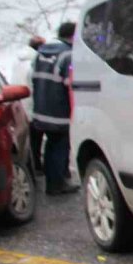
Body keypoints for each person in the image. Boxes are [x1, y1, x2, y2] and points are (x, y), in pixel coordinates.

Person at [32, 22, 78, 195]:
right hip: (60, 112)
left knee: (51, 147)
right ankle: (57, 184)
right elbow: (70, 84)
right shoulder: (68, 55)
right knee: (60, 148)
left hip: (42, 110)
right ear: (73, 36)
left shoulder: (41, 53)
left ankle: (53, 182)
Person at [11, 36, 47, 175]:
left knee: (26, 140)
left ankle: (30, 166)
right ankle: (35, 167)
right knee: (35, 140)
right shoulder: (33, 63)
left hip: (19, 104)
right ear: (39, 47)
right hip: (31, 105)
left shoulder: (18, 61)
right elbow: (35, 86)